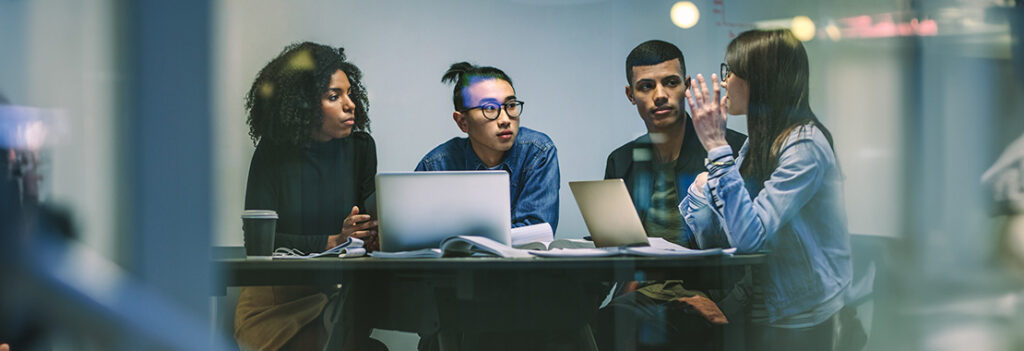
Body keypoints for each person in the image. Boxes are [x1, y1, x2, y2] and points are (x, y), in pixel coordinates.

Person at [682, 29, 852, 351]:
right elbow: (719, 241)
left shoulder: (804, 144)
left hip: (801, 317)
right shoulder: (759, 143)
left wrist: (717, 147)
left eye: (731, 72)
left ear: (759, 81)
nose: (724, 82)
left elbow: (748, 240)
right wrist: (701, 191)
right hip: (762, 307)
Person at [594, 40, 746, 351]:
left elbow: (765, 243)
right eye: (646, 86)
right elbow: (613, 248)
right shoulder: (621, 160)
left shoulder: (728, 150)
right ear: (630, 95)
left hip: (707, 297)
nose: (660, 95)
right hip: (642, 300)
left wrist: (730, 307)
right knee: (580, 329)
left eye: (671, 82)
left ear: (687, 87)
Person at [233, 42, 384, 351]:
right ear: (303, 105)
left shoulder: (362, 148)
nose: (349, 104)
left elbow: (367, 223)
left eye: (350, 94)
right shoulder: (272, 152)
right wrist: (330, 241)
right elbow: (258, 240)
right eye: (334, 96)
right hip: (277, 301)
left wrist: (372, 233)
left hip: (339, 293)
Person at [416, 62, 560, 231]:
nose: (505, 119)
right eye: (490, 108)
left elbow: (536, 231)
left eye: (511, 105)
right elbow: (416, 230)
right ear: (463, 122)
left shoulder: (537, 152)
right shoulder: (436, 165)